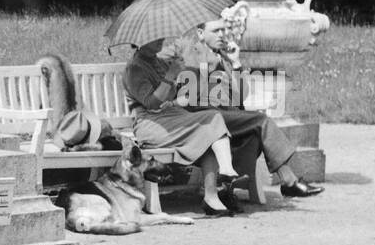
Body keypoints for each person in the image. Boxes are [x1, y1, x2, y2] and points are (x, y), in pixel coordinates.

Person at [123, 27, 323, 216]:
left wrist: (234, 64)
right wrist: (186, 78)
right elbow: (152, 102)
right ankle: (233, 178)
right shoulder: (170, 55)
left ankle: (221, 191)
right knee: (236, 121)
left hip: (196, 113)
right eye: (217, 30)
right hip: (182, 114)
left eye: (224, 30)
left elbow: (241, 97)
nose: (222, 35)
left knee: (249, 133)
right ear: (201, 33)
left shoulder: (221, 56)